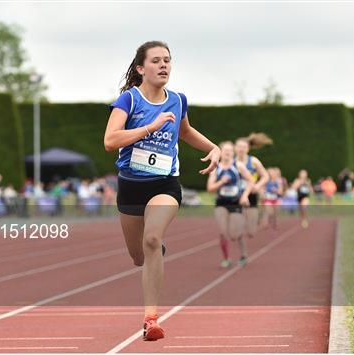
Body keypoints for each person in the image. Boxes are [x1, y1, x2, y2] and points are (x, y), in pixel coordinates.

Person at [104, 41, 220, 341]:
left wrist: (213, 147)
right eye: (156, 61)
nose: (164, 65)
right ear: (141, 68)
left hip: (164, 184)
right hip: (131, 186)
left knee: (153, 239)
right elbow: (110, 140)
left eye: (167, 60)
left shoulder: (178, 100)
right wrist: (149, 127)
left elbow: (185, 132)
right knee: (138, 256)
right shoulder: (128, 100)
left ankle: (150, 320)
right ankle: (151, 252)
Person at [207, 141, 254, 268]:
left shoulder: (238, 165)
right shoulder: (215, 167)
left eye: (230, 151)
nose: (227, 152)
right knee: (223, 231)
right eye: (225, 150)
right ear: (220, 152)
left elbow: (251, 181)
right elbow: (210, 188)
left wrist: (244, 196)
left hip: (236, 202)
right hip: (221, 202)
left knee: (235, 234)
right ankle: (226, 258)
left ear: (233, 153)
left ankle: (243, 255)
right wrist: (221, 182)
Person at [234, 133, 270, 239]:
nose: (241, 149)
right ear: (235, 148)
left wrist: (258, 186)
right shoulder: (231, 161)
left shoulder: (253, 161)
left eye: (244, 147)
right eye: (239, 147)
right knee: (237, 225)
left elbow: (265, 176)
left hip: (251, 193)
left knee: (251, 232)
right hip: (236, 195)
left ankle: (258, 217)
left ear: (248, 148)